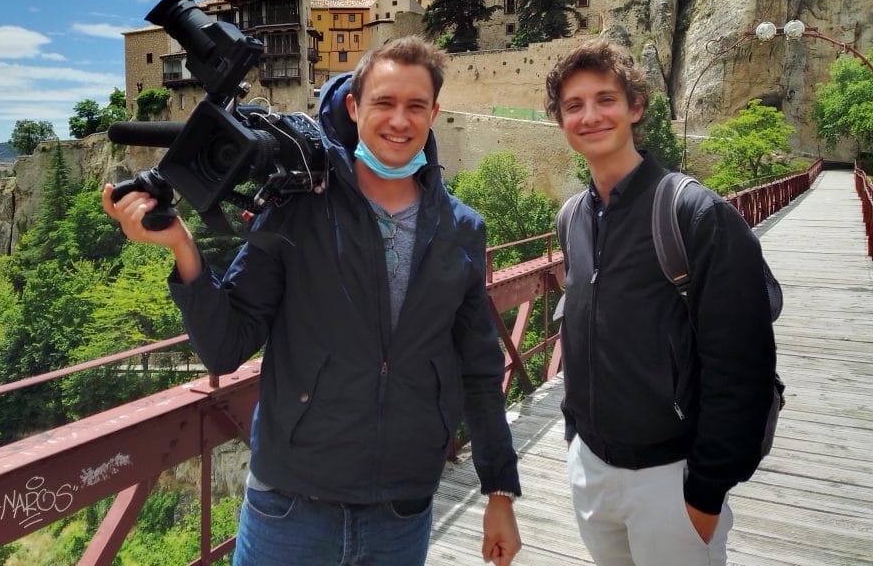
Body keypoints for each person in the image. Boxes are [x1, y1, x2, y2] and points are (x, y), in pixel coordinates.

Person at [103, 36, 522, 566]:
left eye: (415, 106)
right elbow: (226, 346)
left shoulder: (462, 229)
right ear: (354, 107)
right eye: (384, 103)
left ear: (434, 113)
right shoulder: (298, 209)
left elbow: (480, 371)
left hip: (401, 509)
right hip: (290, 506)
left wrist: (500, 492)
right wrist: (183, 249)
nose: (400, 120)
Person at [544, 39, 777, 566]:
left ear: (636, 107)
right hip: (591, 470)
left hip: (672, 479)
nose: (590, 116)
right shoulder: (573, 218)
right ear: (559, 119)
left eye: (605, 99)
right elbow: (581, 332)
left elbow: (743, 366)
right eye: (573, 105)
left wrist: (706, 492)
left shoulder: (695, 213)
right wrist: (574, 435)